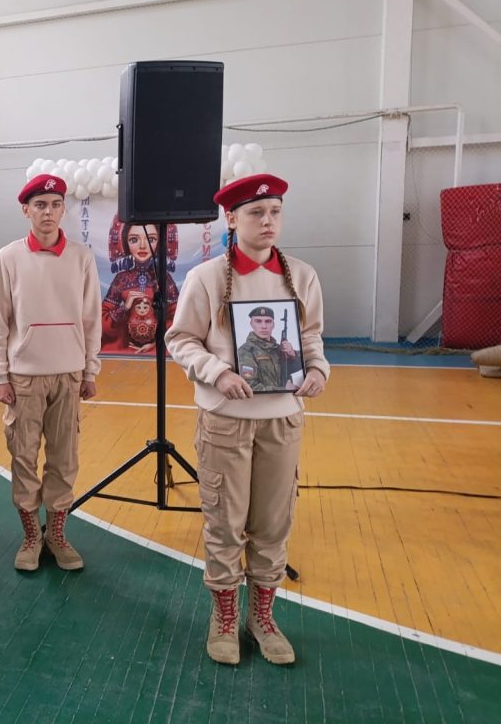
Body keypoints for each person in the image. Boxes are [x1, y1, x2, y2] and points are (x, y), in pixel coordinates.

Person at [164, 173, 329, 666]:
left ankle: (262, 616)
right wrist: (217, 371)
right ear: (232, 219)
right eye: (256, 212)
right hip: (226, 420)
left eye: (275, 212)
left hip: (282, 419)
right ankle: (224, 617)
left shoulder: (302, 276)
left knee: (274, 522)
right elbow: (180, 339)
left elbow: (312, 336)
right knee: (225, 522)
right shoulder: (207, 278)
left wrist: (317, 368)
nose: (268, 221)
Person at [0, 173, 102, 572]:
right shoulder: (8, 258)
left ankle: (56, 535)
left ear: (63, 209)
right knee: (23, 457)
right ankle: (31, 537)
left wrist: (90, 369)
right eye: (39, 205)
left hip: (69, 375)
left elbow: (91, 318)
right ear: (26, 211)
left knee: (64, 460)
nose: (48, 212)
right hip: (24, 378)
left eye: (55, 205)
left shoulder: (82, 258)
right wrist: (0, 375)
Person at [101, 218, 179, 353]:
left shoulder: (164, 278)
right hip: (125, 347)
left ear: (160, 242)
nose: (143, 246)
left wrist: (156, 342)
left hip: (159, 347)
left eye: (151, 239)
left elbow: (179, 317)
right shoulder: (121, 279)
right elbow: (102, 321)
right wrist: (125, 308)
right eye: (134, 240)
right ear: (125, 243)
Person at [236, 305, 303, 391]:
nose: (264, 326)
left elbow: (304, 363)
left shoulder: (278, 349)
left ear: (273, 324)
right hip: (264, 400)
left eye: (268, 321)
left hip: (286, 399)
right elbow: (250, 386)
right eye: (258, 321)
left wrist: (293, 354)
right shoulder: (246, 351)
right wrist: (284, 389)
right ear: (251, 324)